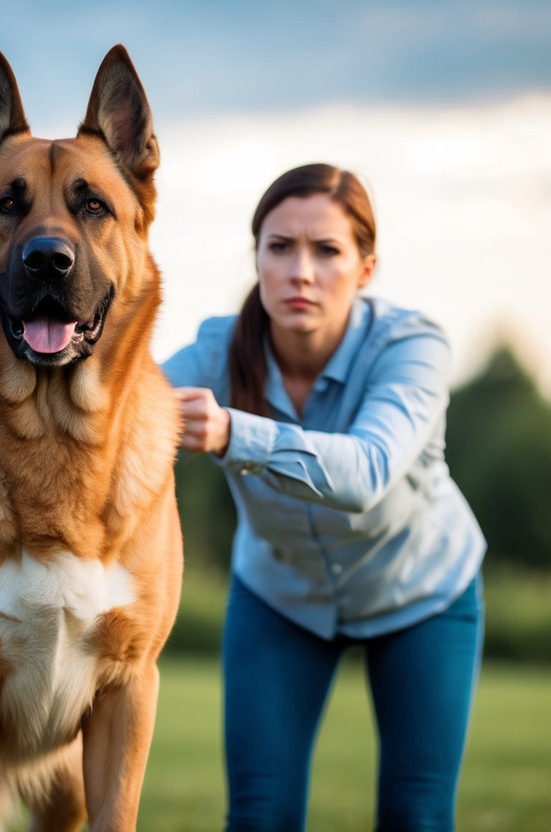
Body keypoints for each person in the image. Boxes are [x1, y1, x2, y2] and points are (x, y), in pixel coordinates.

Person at [163, 163, 486, 832]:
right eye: (279, 247)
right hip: (278, 596)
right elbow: (109, 413)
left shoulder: (411, 346)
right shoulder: (218, 349)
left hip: (422, 591)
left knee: (415, 817)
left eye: (326, 251)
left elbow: (366, 473)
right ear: (257, 257)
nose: (299, 272)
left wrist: (231, 431)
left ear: (365, 267)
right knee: (258, 819)